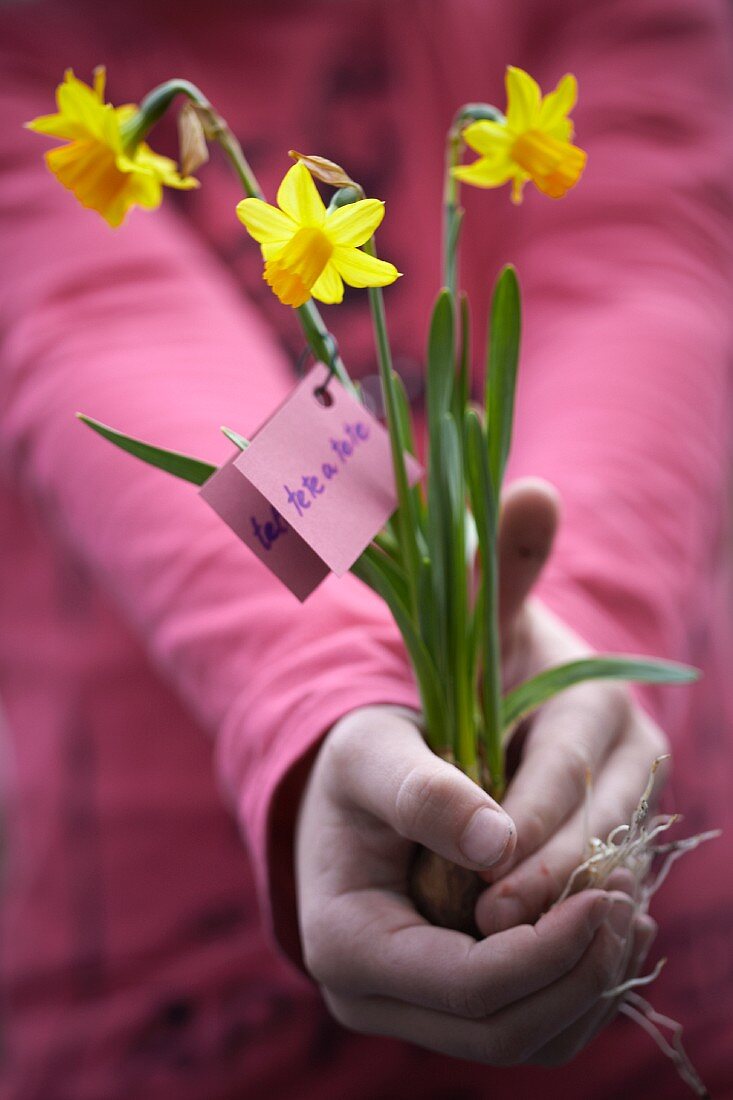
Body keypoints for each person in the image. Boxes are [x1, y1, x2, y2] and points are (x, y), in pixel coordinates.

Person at [0, 1, 732, 1097]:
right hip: (167, 989)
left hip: (639, 914)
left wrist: (564, 622)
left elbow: (645, 253)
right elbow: (96, 314)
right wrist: (326, 686)